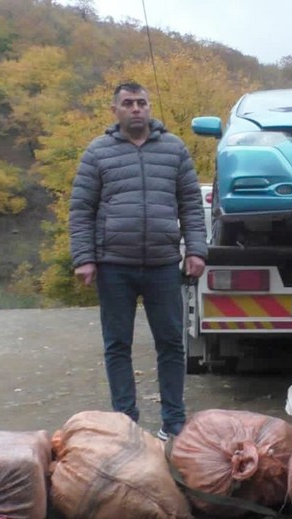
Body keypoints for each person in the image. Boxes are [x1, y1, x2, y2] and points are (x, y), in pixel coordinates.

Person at [69, 81, 207, 441]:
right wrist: (84, 258)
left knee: (172, 344)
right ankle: (125, 424)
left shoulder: (174, 149)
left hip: (163, 265)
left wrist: (195, 249)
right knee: (118, 345)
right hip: (114, 264)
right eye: (128, 103)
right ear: (115, 109)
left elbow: (191, 204)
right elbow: (81, 209)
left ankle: (174, 424)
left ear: (149, 108)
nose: (136, 109)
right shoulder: (97, 153)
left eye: (141, 102)